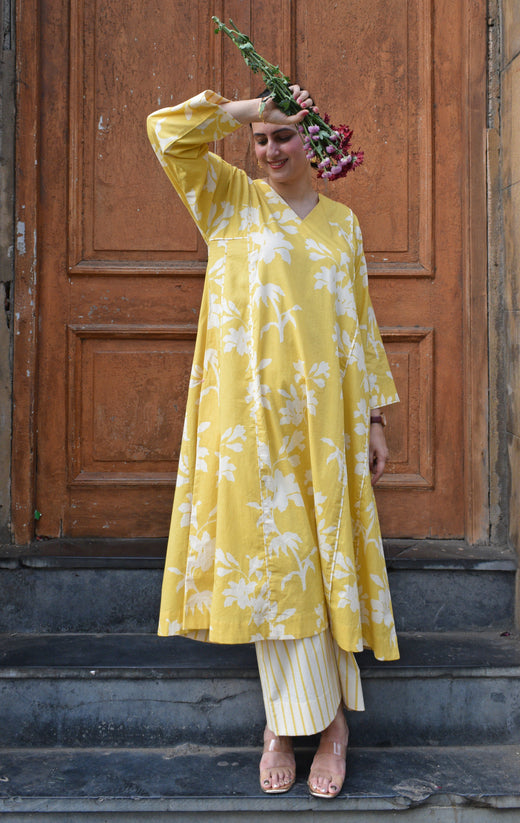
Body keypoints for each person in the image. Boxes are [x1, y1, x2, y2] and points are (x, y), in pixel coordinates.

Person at [147, 84, 399, 799]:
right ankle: (286, 724)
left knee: (323, 560)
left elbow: (358, 322)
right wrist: (236, 111)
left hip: (325, 423)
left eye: (284, 136)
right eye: (260, 140)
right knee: (274, 560)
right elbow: (166, 134)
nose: (269, 150)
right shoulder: (228, 202)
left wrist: (376, 417)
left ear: (313, 142)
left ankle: (326, 729)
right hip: (248, 420)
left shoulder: (342, 226)